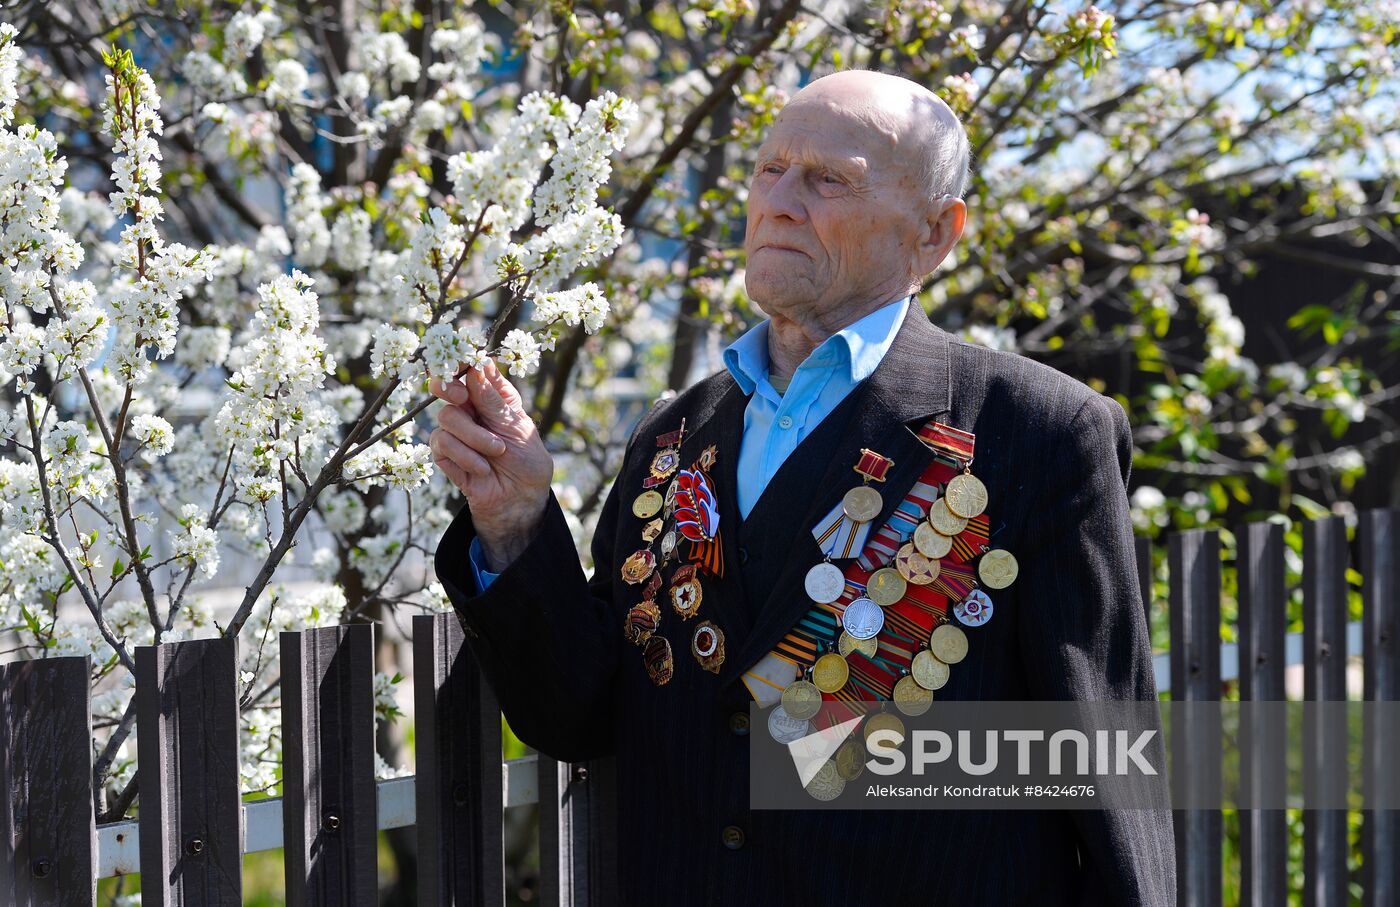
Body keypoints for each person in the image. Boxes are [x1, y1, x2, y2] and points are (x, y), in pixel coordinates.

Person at [430, 70, 1175, 904]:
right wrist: (516, 522)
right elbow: (581, 715)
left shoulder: (1037, 433)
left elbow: (1100, 766)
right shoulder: (673, 437)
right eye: (770, 168)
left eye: (829, 179)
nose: (779, 201)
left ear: (934, 233)